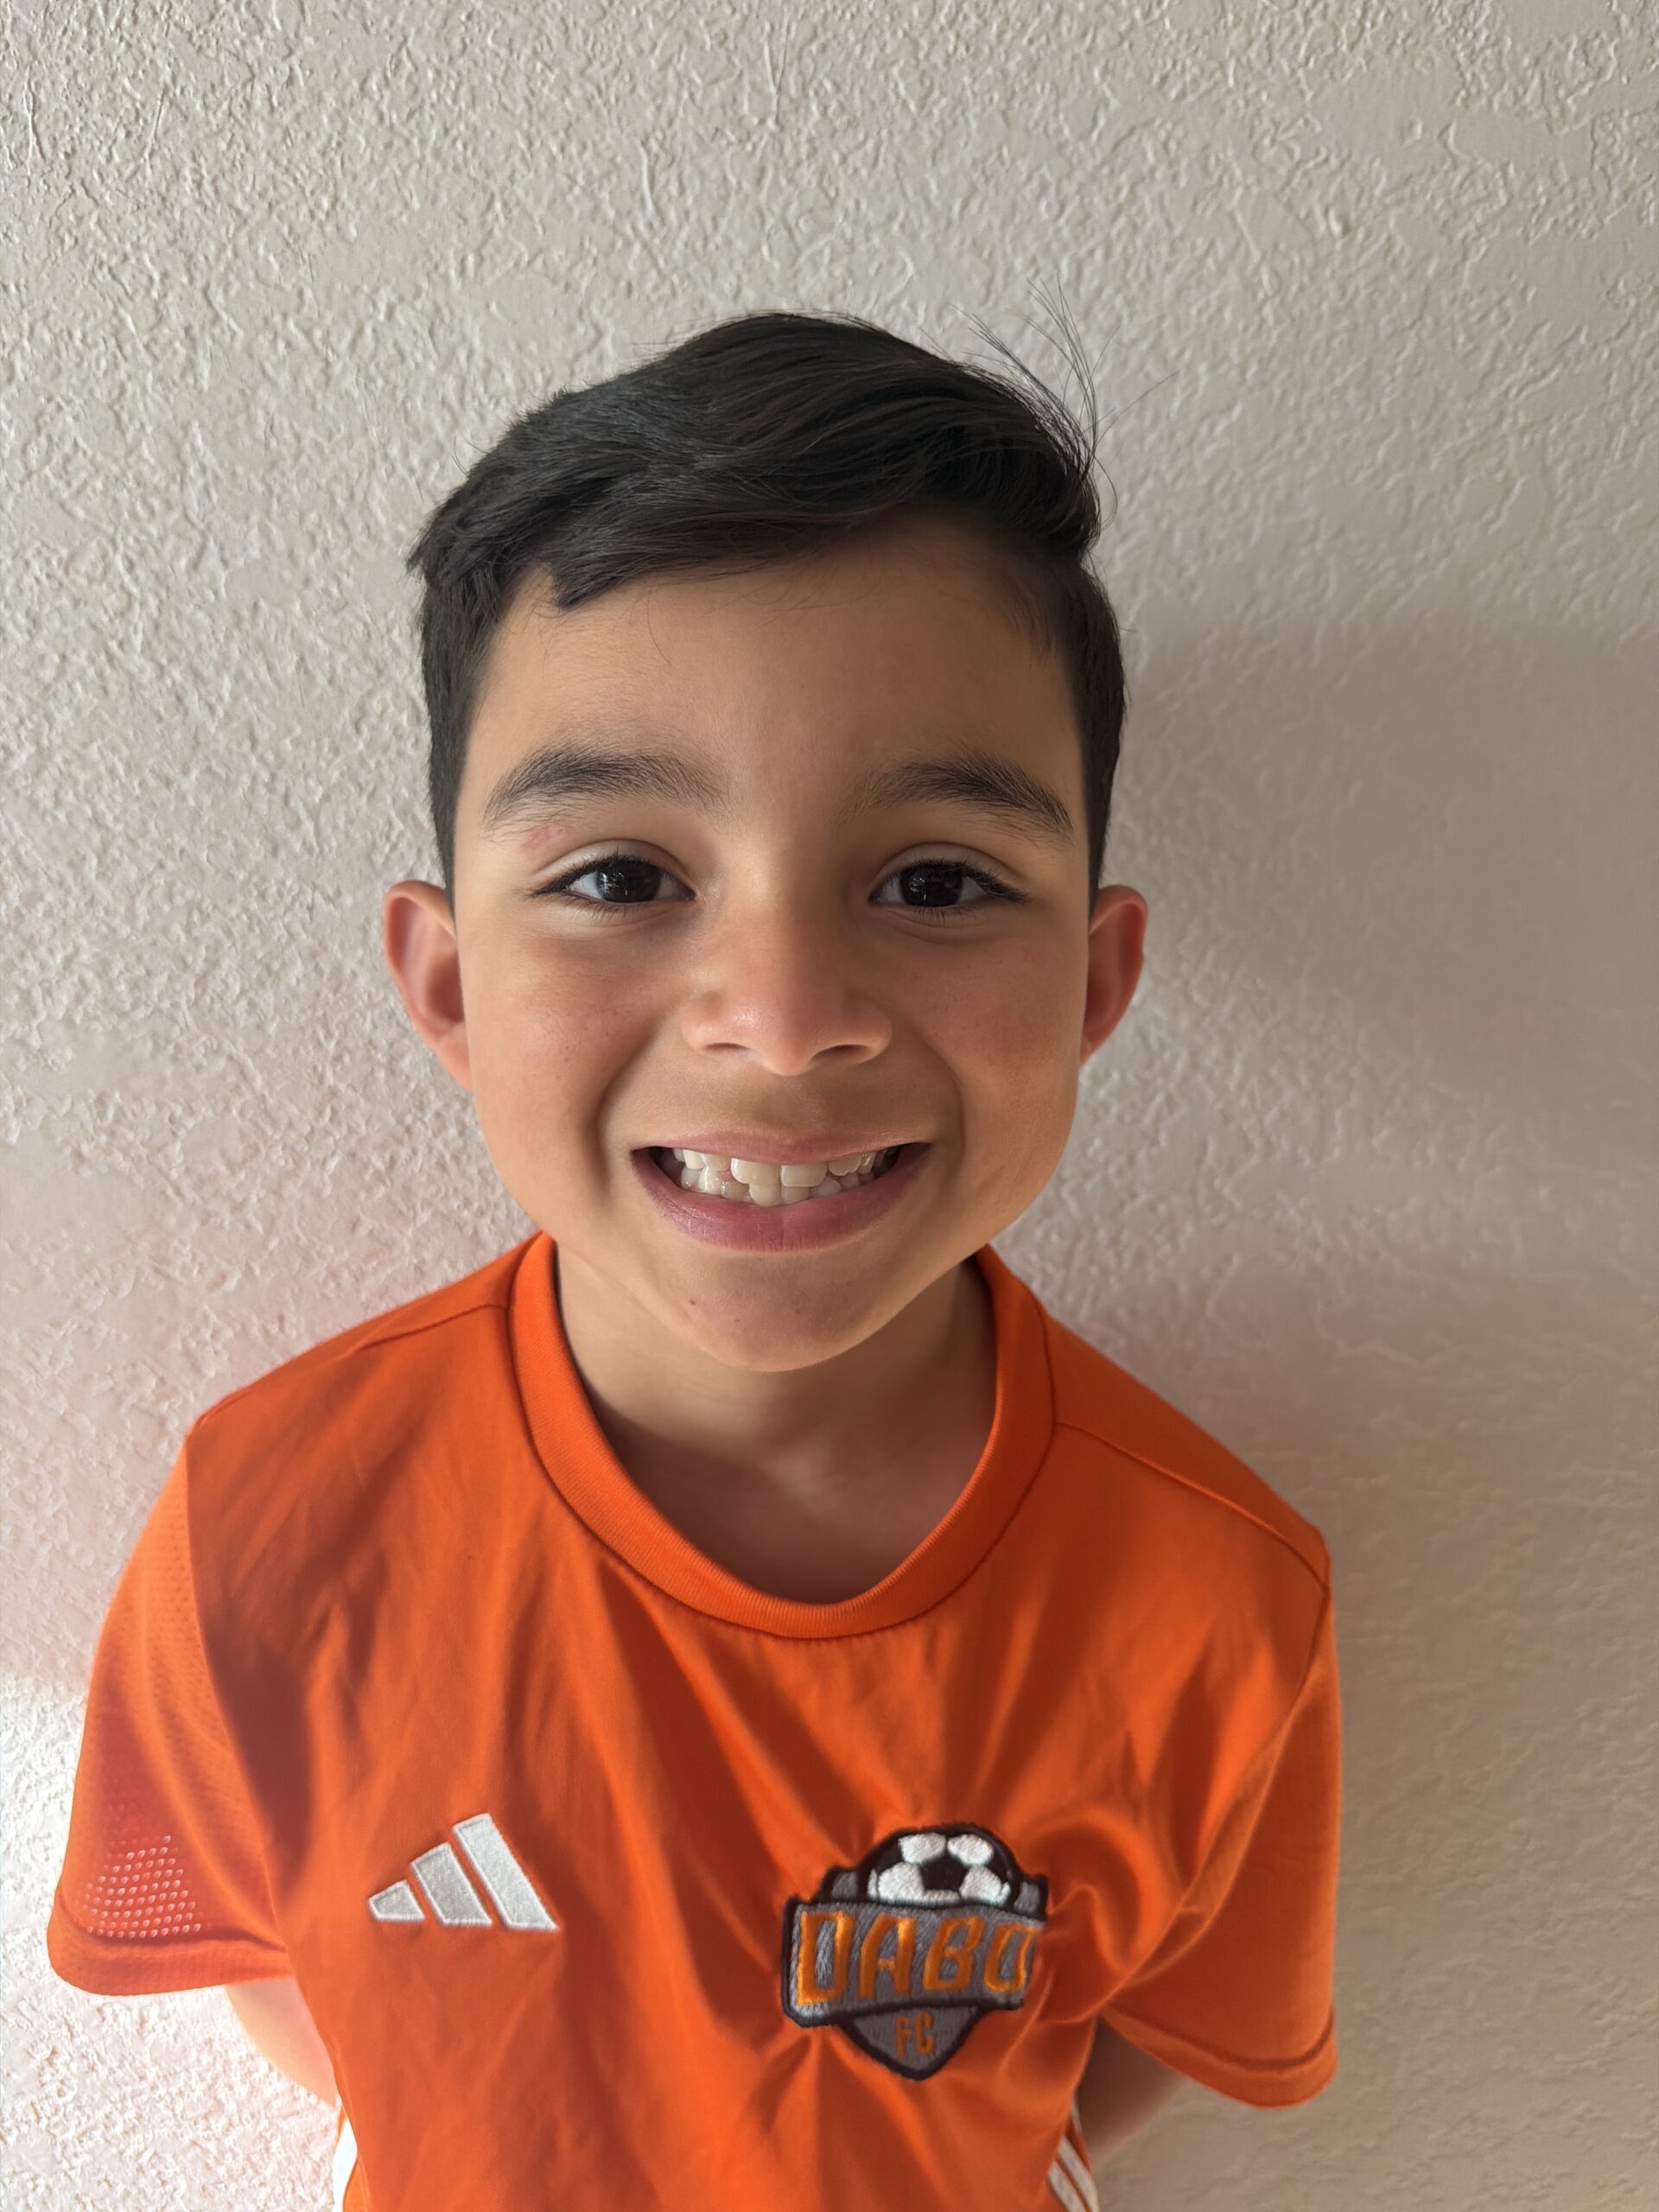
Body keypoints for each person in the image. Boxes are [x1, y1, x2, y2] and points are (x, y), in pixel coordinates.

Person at [46, 308, 1341, 2211]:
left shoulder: (1221, 1593)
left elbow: (1136, 2040)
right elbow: (269, 1957)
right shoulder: (268, 1520)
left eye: (935, 881)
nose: (785, 1018)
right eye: (621, 877)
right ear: (449, 983)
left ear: (1092, 982)